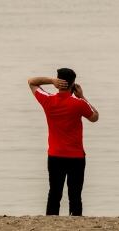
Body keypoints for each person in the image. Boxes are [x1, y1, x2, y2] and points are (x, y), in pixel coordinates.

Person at [28, 69, 99, 216]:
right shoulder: (79, 103)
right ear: (73, 84)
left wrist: (50, 80)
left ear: (58, 83)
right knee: (75, 194)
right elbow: (95, 117)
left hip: (55, 156)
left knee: (54, 192)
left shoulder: (48, 100)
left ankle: (50, 222)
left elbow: (31, 82)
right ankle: (76, 222)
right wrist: (82, 96)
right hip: (76, 157)